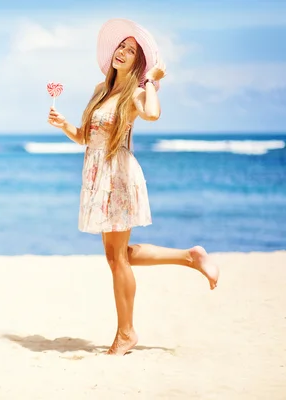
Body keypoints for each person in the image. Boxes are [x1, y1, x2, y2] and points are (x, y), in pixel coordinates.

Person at [47, 18, 220, 356]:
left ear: (139, 62)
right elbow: (87, 138)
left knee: (116, 257)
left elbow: (153, 115)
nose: (123, 52)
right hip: (97, 175)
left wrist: (151, 83)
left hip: (118, 177)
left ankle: (126, 333)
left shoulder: (136, 93)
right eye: (121, 47)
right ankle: (191, 256)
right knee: (118, 255)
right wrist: (65, 123)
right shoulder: (100, 90)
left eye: (131, 50)